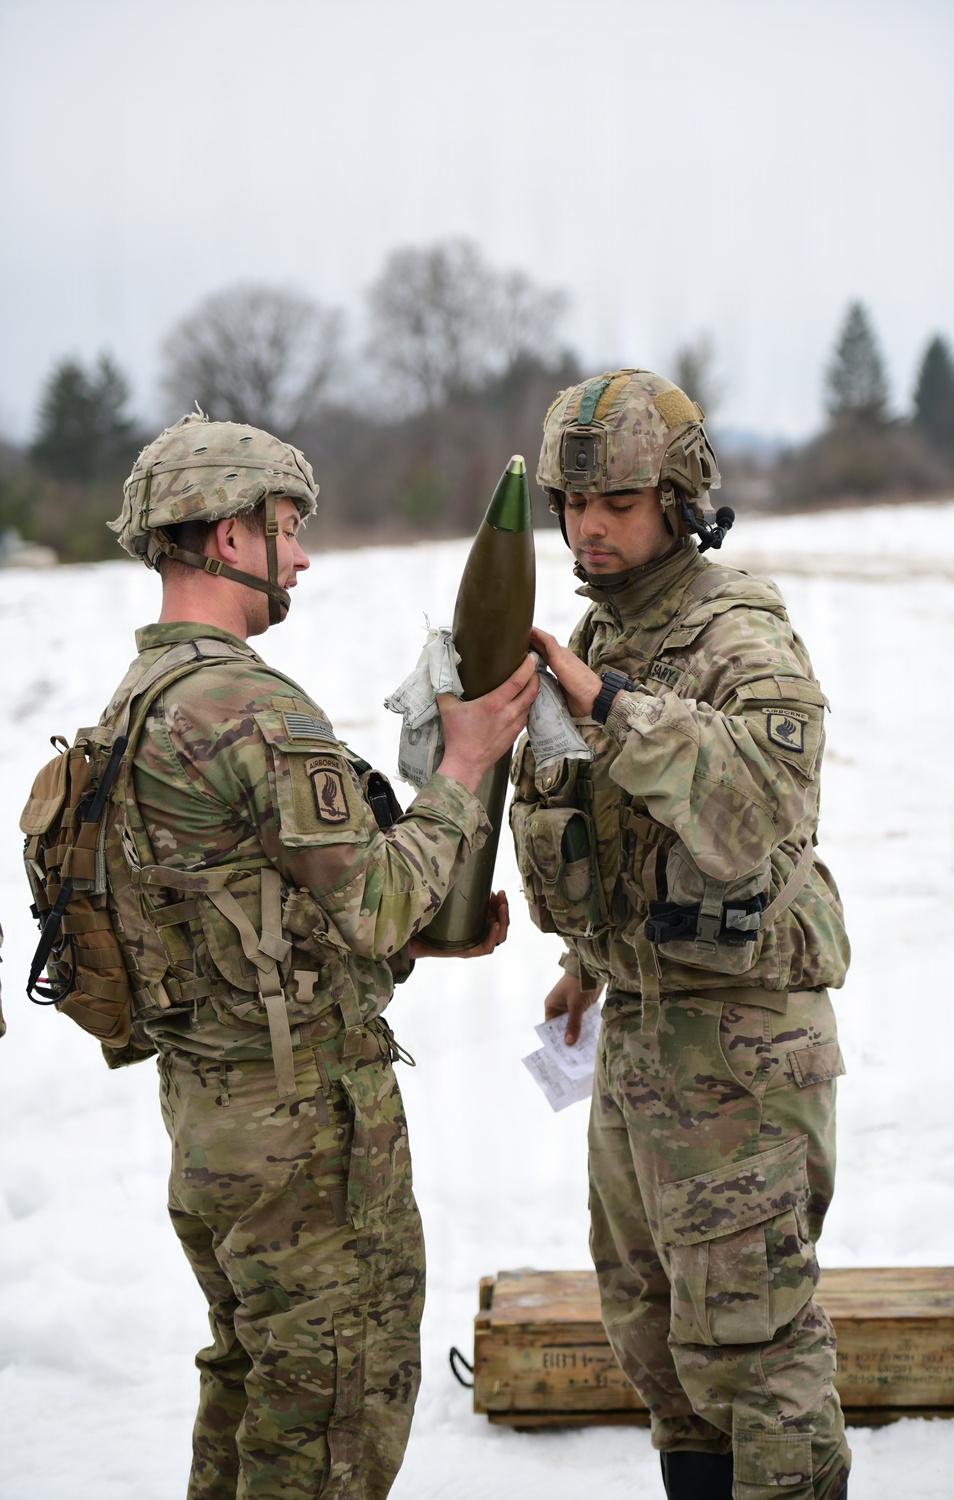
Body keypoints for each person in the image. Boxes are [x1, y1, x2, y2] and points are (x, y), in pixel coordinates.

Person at [98, 411, 537, 1500]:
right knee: (338, 1412)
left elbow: (247, 923)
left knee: (256, 1395)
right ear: (225, 535)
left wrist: (418, 940)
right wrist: (466, 769)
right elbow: (379, 903)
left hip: (212, 1121)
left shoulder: (137, 702)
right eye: (286, 527)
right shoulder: (250, 706)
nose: (301, 554)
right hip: (303, 1137)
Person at [510, 370, 851, 1500]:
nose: (588, 526)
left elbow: (758, 812)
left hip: (741, 1049)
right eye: (573, 503)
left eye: (615, 501)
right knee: (657, 1343)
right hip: (644, 1039)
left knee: (753, 1350)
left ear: (679, 496)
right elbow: (610, 835)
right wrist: (578, 969)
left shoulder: (735, 630)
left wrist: (609, 707)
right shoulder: (599, 629)